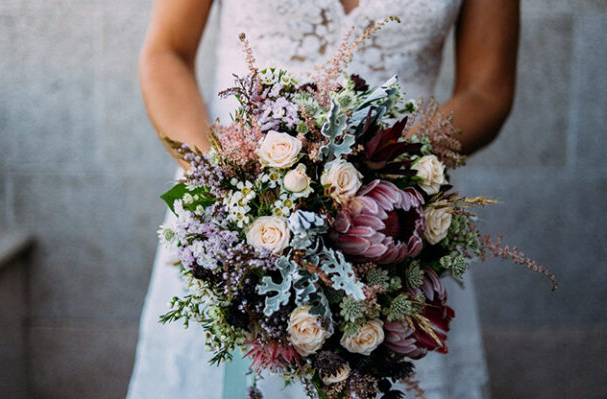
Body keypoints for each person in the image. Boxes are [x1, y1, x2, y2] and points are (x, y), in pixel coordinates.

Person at [128, 1, 518, 398]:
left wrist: (388, 175)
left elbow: (486, 90)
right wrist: (227, 180)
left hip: (397, 226)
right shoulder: (230, 199)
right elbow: (168, 51)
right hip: (234, 218)